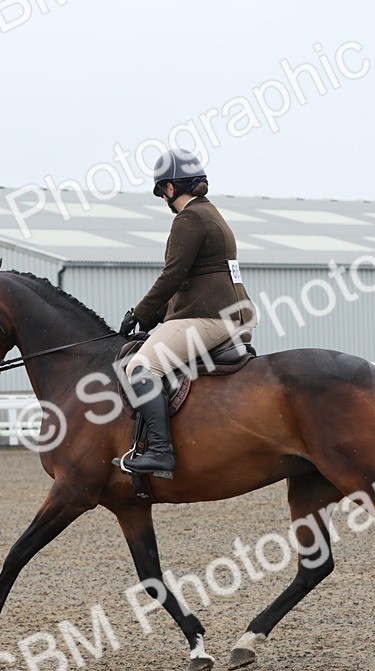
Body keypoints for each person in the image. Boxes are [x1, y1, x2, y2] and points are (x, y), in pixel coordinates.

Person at [117, 149, 258, 475]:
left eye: (161, 193)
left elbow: (173, 274)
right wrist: (155, 315)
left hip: (209, 318)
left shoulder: (189, 218)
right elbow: (193, 278)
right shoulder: (211, 213)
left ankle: (160, 452)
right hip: (228, 313)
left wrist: (139, 313)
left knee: (140, 367)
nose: (163, 199)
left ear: (169, 188)